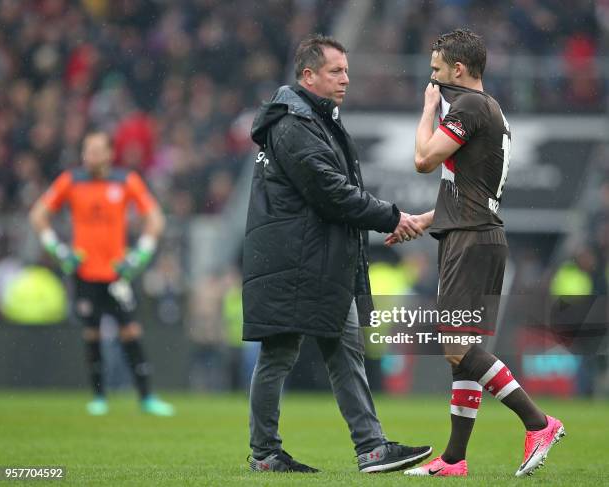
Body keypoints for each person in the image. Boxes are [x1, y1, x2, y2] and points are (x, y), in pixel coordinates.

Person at [242, 34, 431, 473]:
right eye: (335, 71)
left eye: (346, 70)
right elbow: (331, 192)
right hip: (296, 261)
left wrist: (385, 217)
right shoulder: (294, 125)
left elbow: (334, 192)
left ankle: (370, 448)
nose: (346, 78)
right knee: (280, 354)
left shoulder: (313, 120)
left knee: (343, 352)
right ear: (308, 75)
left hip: (317, 259)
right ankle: (266, 453)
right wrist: (392, 216)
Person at [385, 29, 565, 477]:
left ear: (458, 69)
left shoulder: (465, 106)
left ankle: (538, 422)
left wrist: (427, 111)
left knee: (453, 347)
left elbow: (424, 160)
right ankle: (454, 459)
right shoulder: (493, 112)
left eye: (436, 69)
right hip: (477, 234)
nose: (432, 79)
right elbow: (469, 188)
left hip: (471, 241)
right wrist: (428, 219)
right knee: (463, 351)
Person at [29, 131, 174, 417]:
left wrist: (140, 253)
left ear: (109, 153)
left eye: (95, 150)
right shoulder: (71, 181)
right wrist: (58, 250)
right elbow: (38, 214)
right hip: (84, 273)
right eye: (86, 150)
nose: (89, 156)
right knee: (92, 333)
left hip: (118, 273)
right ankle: (99, 398)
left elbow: (156, 218)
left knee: (131, 331)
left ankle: (146, 398)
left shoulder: (125, 181)